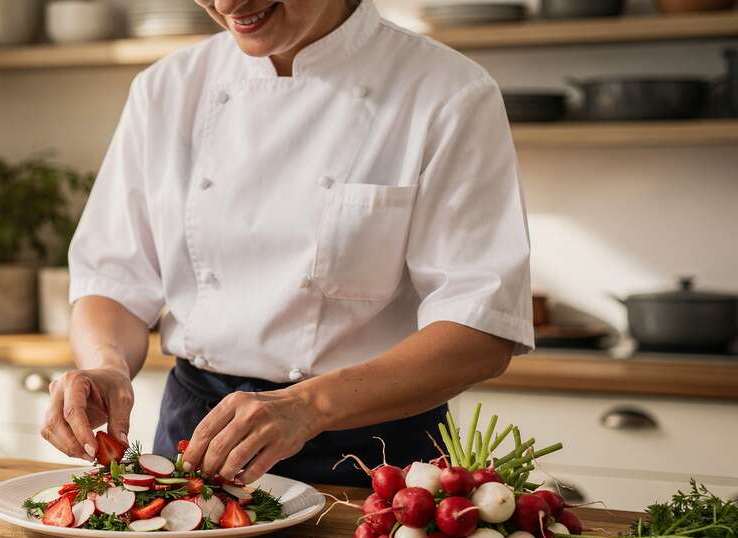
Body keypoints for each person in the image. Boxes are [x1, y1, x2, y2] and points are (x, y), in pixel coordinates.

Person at [41, 0, 533, 487]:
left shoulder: (447, 91)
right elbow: (113, 281)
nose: (228, 3)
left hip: (376, 457)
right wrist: (106, 367)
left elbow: (481, 331)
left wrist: (309, 406)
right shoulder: (166, 89)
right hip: (200, 439)